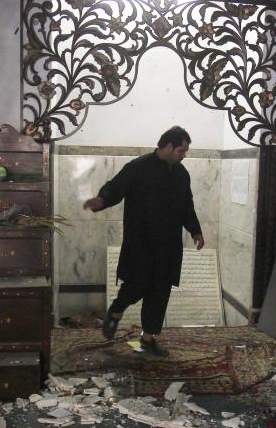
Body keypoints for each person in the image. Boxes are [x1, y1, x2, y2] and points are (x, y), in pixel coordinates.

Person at [83, 126, 204, 357]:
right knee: (137, 284)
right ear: (168, 146)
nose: (184, 155)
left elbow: (187, 205)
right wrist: (101, 200)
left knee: (160, 292)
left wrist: (195, 230)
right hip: (141, 242)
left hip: (169, 245)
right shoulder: (138, 167)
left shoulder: (181, 174)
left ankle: (147, 340)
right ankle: (116, 311)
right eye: (182, 150)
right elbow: (115, 188)